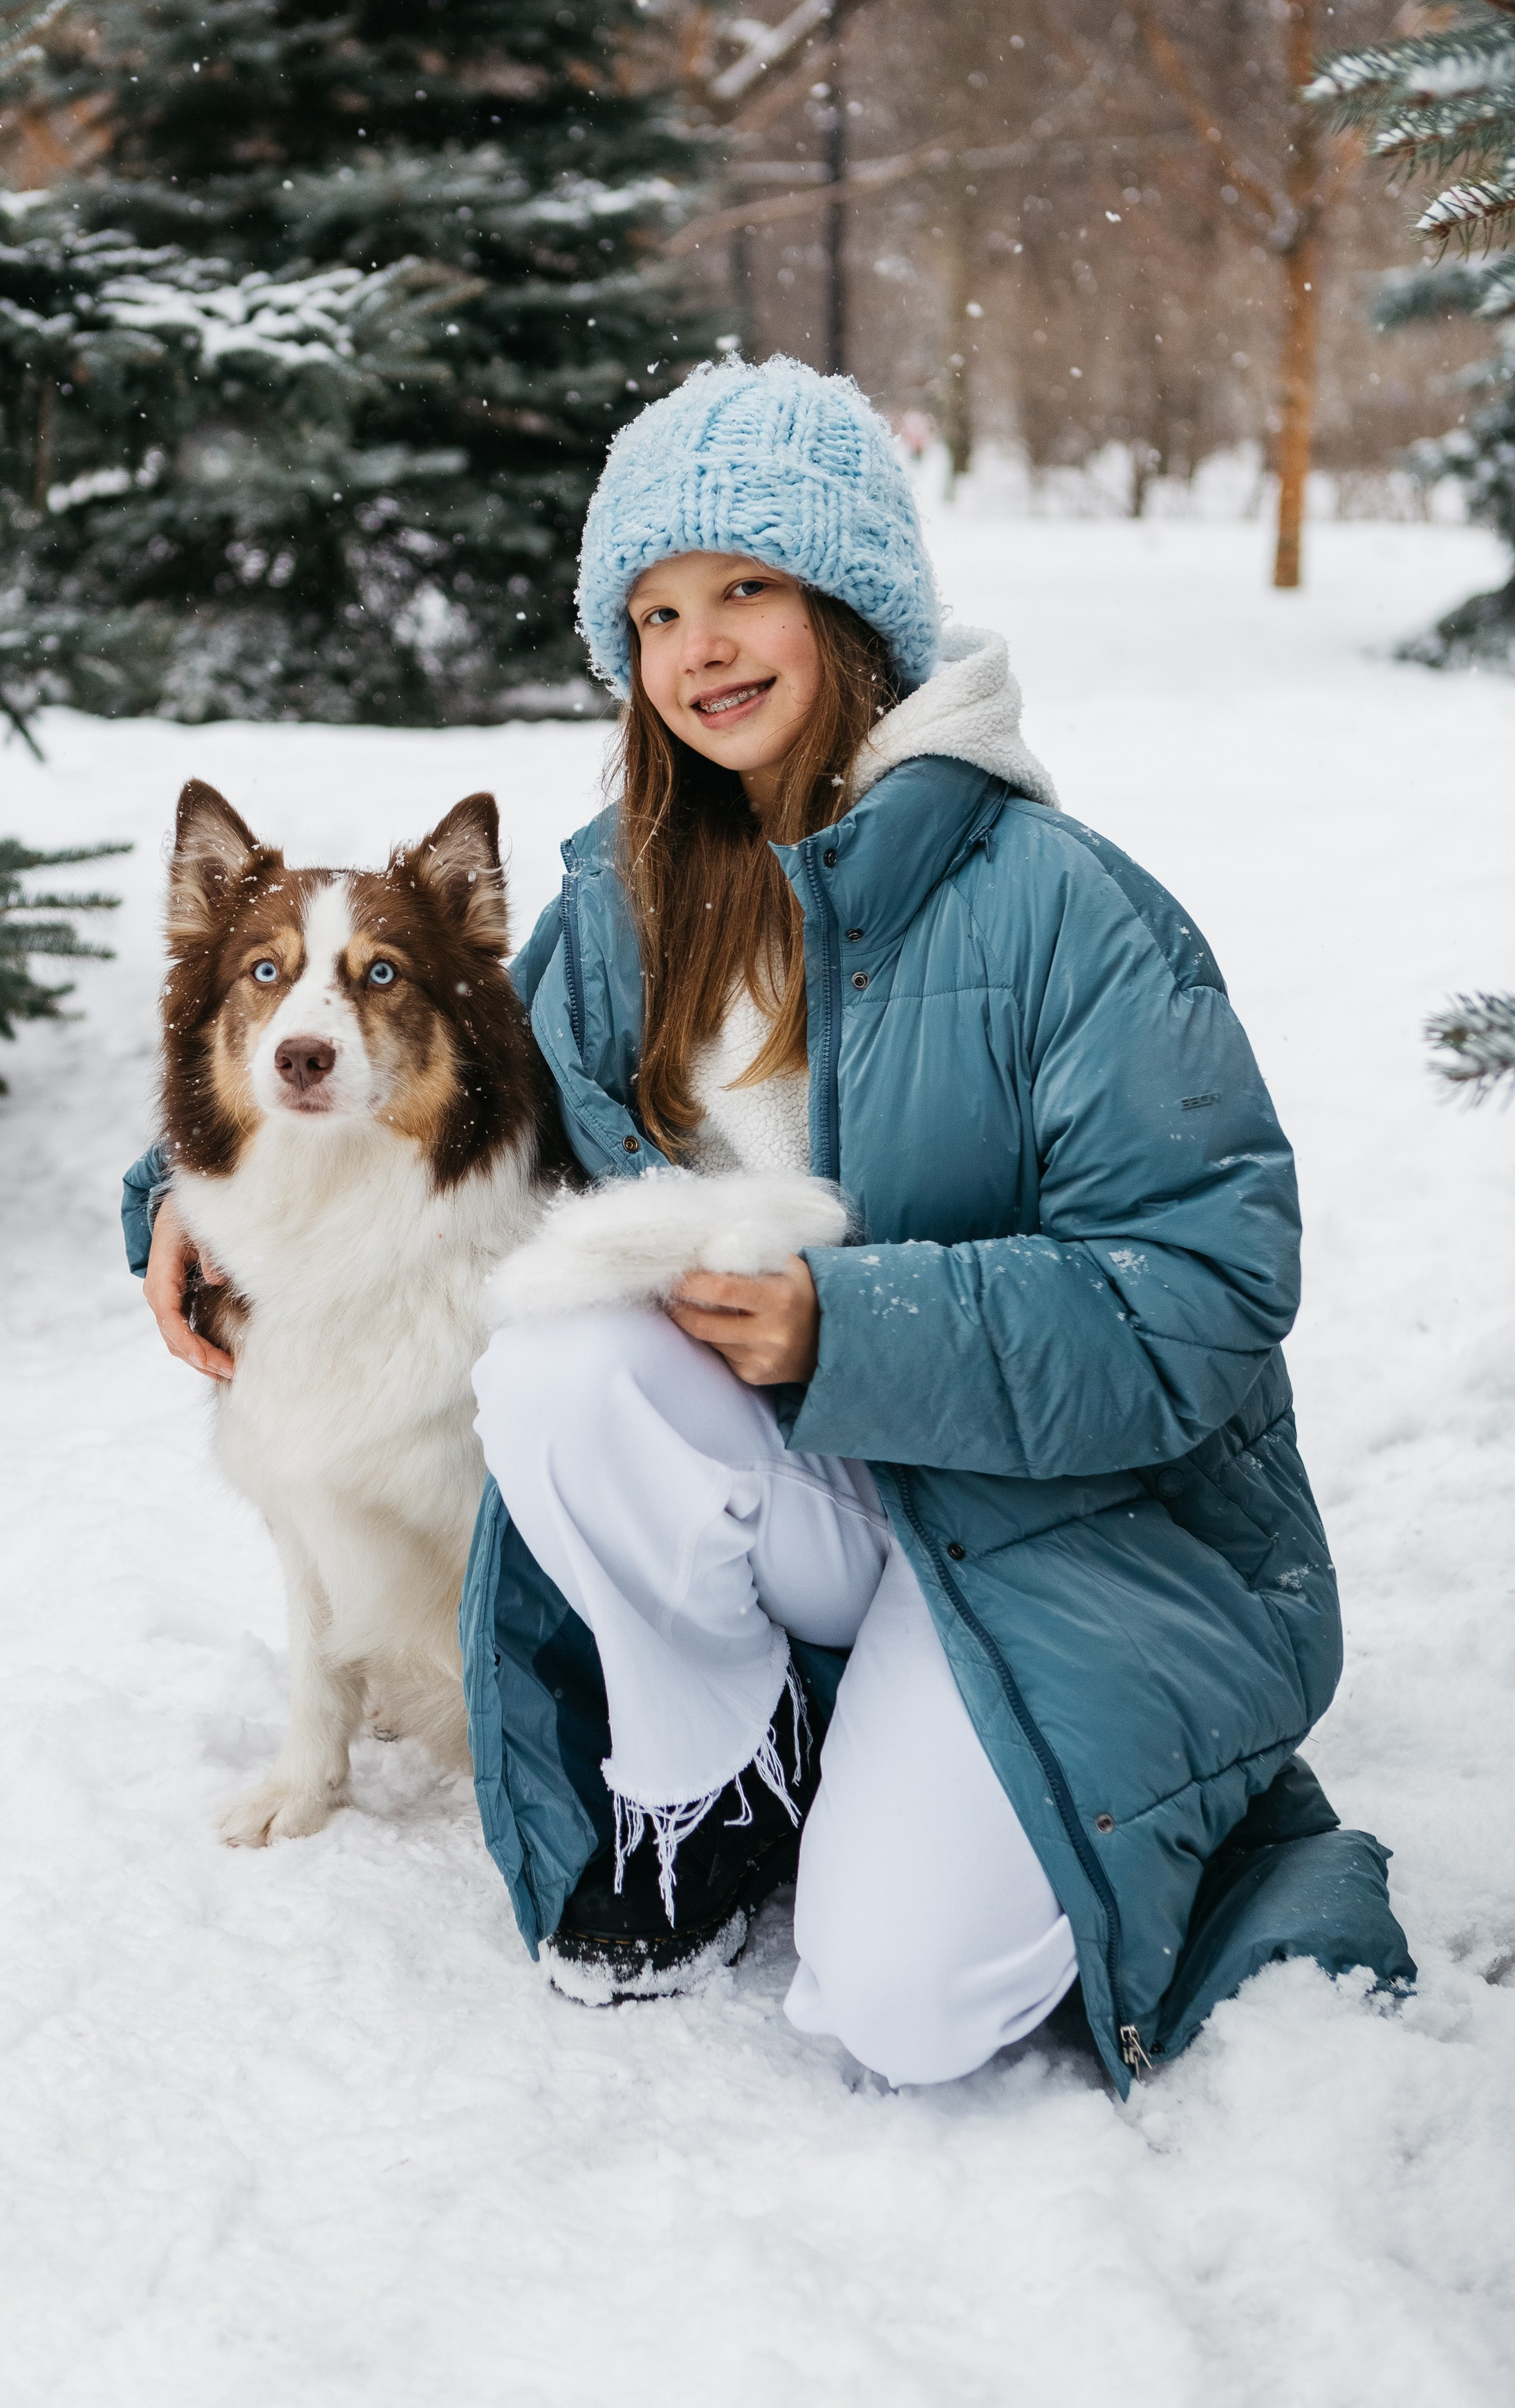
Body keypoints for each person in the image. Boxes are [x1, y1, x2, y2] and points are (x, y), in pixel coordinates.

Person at [127, 356, 1411, 2094]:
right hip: (815, 1508)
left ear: (851, 605)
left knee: (903, 2008)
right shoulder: (628, 914)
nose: (702, 647)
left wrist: (846, 1330)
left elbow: (1202, 1291)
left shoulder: (1059, 906)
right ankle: (718, 1776)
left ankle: (1140, 1786)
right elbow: (410, 1097)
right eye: (656, 611)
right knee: (566, 1361)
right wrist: (173, 1206)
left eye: (747, 588)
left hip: (1070, 1529)